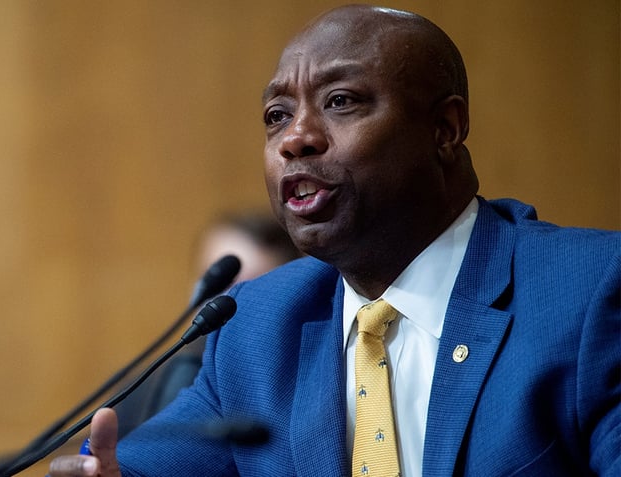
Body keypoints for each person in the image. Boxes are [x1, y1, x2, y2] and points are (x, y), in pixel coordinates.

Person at [48, 5, 620, 476]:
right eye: (276, 115)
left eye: (341, 101)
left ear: (444, 130)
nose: (295, 138)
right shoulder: (256, 325)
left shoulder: (592, 292)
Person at [115, 210, 301, 438]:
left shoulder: (305, 384)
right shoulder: (145, 388)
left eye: (251, 287)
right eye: (219, 282)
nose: (224, 302)